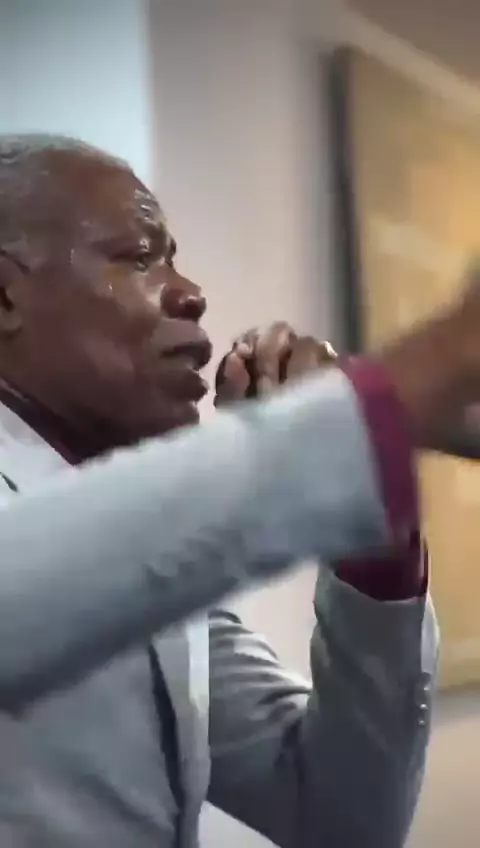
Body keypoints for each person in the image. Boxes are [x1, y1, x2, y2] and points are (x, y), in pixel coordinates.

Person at [0, 134, 476, 848]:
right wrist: (383, 404)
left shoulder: (146, 555)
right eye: (139, 256)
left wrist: (374, 541)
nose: (190, 293)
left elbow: (342, 820)